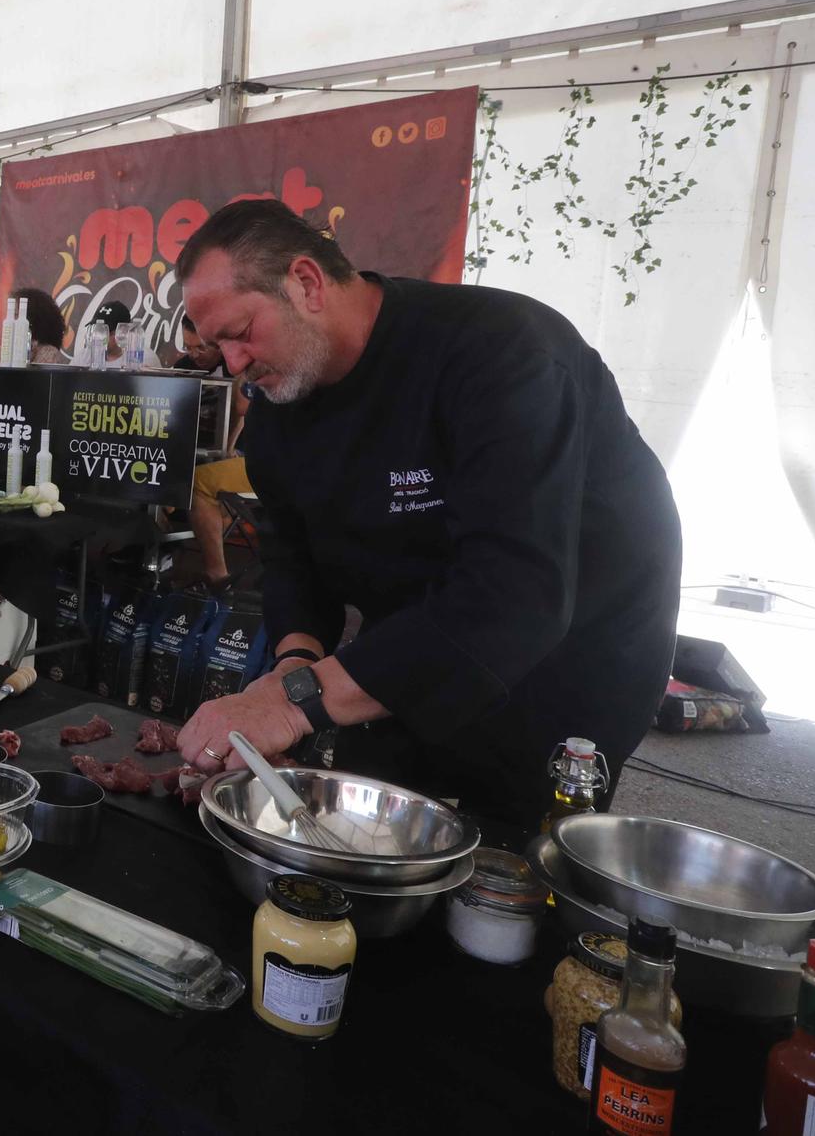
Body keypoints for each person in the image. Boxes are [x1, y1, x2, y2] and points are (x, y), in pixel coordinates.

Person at [170, 199, 682, 826]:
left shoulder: (502, 354)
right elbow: (292, 558)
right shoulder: (283, 397)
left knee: (511, 861)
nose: (232, 364)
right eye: (217, 344)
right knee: (369, 821)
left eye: (240, 331)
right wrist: (295, 669)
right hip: (416, 630)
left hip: (572, 642)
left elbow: (513, 598)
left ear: (305, 283)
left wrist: (292, 704)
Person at [173, 311, 254, 591]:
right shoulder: (184, 366)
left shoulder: (244, 362)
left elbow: (243, 409)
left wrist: (229, 446)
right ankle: (157, 551)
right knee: (160, 469)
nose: (194, 354)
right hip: (197, 451)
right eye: (188, 346)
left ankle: (216, 577)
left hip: (252, 455)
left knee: (198, 481)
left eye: (201, 347)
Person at [71, 298, 162, 368]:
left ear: (123, 332)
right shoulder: (83, 357)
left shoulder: (144, 358)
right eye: (97, 331)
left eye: (105, 332)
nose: (99, 337)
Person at [0, 288, 70, 365]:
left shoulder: (49, 353)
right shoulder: (12, 348)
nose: (12, 320)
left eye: (16, 314)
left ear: (33, 318)